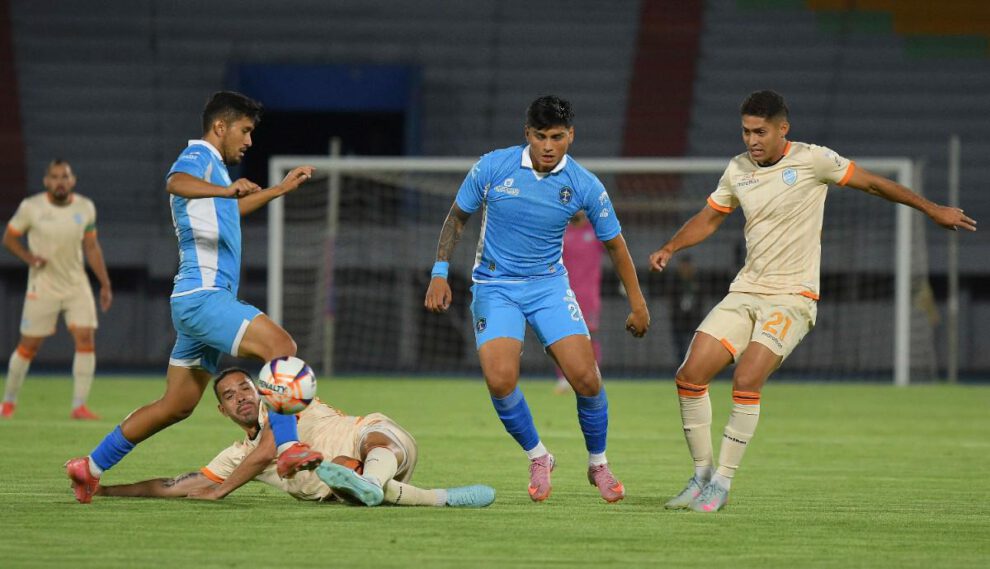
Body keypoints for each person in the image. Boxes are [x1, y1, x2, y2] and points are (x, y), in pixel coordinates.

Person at [648, 90, 977, 513]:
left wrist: (931, 209)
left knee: (746, 380)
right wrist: (671, 247)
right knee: (689, 375)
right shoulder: (738, 169)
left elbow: (875, 183)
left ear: (783, 129)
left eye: (760, 131)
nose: (752, 140)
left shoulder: (813, 160)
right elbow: (711, 216)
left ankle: (723, 484)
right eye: (746, 131)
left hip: (792, 298)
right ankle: (701, 476)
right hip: (746, 291)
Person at [65, 91, 323, 504]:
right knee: (282, 346)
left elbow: (229, 212)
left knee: (177, 404)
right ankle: (289, 448)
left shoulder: (217, 173)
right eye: (245, 130)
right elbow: (174, 182)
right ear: (220, 126)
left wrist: (277, 190)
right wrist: (224, 191)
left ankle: (90, 467)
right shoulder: (199, 156)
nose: (249, 141)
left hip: (193, 303)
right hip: (204, 297)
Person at [424, 95, 650, 503]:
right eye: (541, 136)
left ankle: (598, 463)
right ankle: (539, 456)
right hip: (495, 287)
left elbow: (616, 245)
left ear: (571, 136)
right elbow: (457, 216)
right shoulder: (494, 166)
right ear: (527, 134)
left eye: (558, 137)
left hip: (548, 287)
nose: (549, 146)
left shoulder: (584, 184)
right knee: (500, 379)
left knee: (586, 378)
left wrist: (638, 303)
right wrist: (439, 272)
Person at [94, 368, 496, 508]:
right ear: (222, 411)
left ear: (259, 390)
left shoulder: (283, 404)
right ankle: (440, 497)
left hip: (377, 439)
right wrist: (106, 491)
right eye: (230, 396)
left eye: (246, 389)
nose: (241, 399)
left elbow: (269, 448)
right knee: (344, 477)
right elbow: (174, 486)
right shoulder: (237, 455)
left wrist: (222, 492)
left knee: (376, 442)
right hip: (343, 484)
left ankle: (373, 483)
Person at [2, 159, 112, 420]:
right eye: (54, 177)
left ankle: (79, 406)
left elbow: (91, 247)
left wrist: (105, 283)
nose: (60, 181)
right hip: (43, 285)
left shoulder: (85, 207)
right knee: (29, 345)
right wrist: (29, 258)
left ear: (72, 180)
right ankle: (8, 401)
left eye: (64, 177)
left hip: (76, 284)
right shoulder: (31, 207)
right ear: (46, 181)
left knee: (86, 339)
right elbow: (9, 237)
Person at [553, 212, 604, 394]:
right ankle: (563, 378)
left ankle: (593, 375)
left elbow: (617, 249)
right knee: (560, 337)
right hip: (562, 294)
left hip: (589, 296)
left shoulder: (595, 231)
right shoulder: (560, 231)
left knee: (589, 337)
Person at [668, 255, 703, 361]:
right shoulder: (674, 281)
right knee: (680, 350)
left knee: (695, 349)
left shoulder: (698, 281)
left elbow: (701, 300)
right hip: (678, 320)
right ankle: (681, 371)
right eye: (683, 266)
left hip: (694, 319)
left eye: (688, 266)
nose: (685, 268)